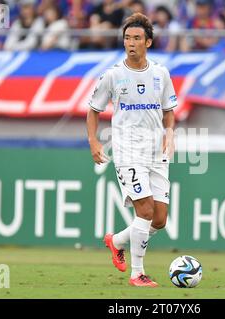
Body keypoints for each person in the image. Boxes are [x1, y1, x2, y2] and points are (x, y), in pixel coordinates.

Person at [86, 13, 177, 287]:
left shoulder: (160, 73)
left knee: (159, 219)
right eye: (127, 38)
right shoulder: (113, 76)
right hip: (128, 152)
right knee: (145, 211)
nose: (131, 43)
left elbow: (169, 111)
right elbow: (93, 111)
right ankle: (137, 273)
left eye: (137, 38)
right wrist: (93, 141)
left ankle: (116, 241)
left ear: (148, 42)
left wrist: (169, 134)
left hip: (156, 152)